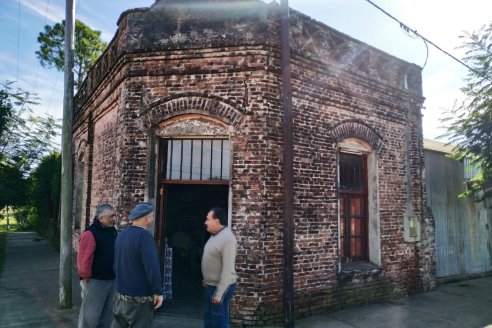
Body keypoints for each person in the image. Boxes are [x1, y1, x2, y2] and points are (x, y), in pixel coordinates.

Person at [111, 202, 164, 328]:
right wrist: (158, 291)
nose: (151, 219)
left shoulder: (121, 235)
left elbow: (115, 265)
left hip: (120, 296)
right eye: (151, 217)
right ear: (148, 218)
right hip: (139, 300)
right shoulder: (145, 237)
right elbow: (152, 268)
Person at [77, 204, 118, 328]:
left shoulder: (112, 230)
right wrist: (86, 279)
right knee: (90, 318)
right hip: (96, 281)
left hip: (112, 279)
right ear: (101, 218)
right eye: (111, 216)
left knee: (107, 316)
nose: (114, 218)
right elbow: (84, 259)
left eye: (114, 215)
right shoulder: (90, 233)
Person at [201, 207, 238, 328]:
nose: (205, 222)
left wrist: (219, 293)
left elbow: (228, 269)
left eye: (208, 219)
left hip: (220, 287)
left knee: (218, 321)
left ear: (217, 221)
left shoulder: (228, 238)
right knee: (210, 320)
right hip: (212, 285)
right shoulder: (215, 235)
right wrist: (207, 278)